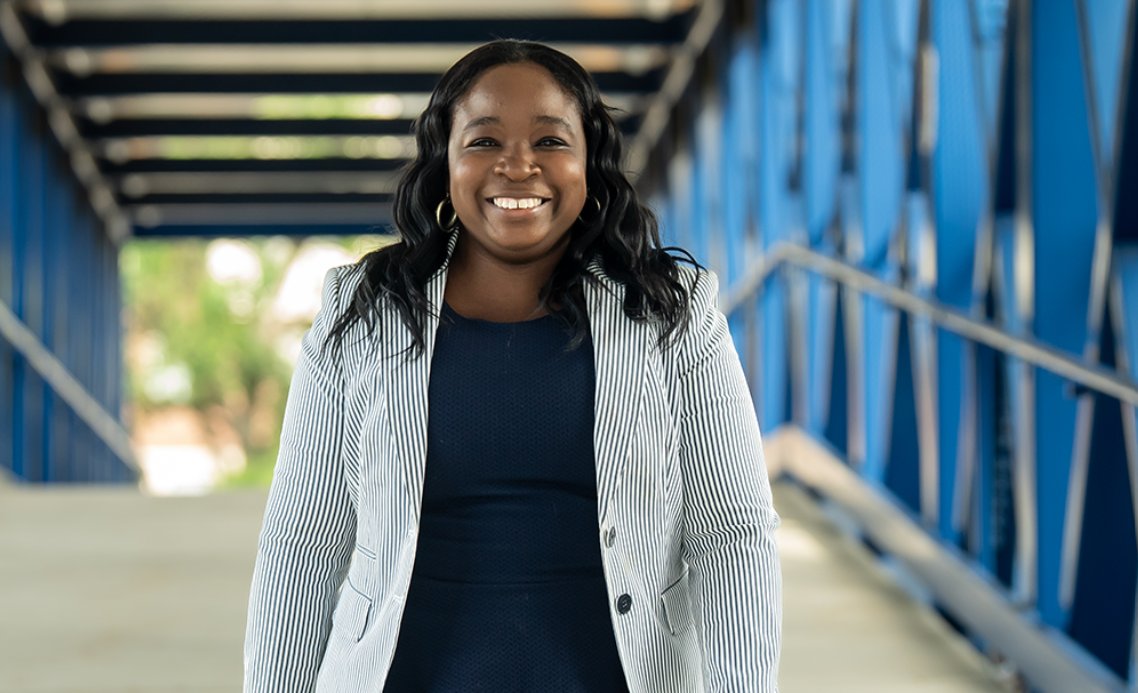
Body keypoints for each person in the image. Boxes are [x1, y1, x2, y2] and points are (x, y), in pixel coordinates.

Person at [244, 39, 781, 693]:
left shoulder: (673, 314)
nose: (517, 166)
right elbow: (303, 548)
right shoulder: (360, 311)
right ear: (446, 163)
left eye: (551, 142)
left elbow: (733, 534)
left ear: (590, 165)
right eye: (484, 141)